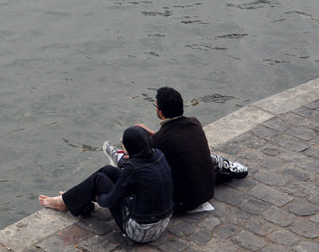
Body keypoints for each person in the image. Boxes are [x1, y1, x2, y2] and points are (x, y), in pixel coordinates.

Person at [103, 86, 248, 213]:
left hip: (182, 202)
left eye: (156, 105)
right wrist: (151, 133)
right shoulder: (194, 123)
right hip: (207, 190)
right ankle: (226, 168)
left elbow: (141, 155)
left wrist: (128, 149)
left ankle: (118, 159)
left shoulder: (160, 140)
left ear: (160, 112)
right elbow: (172, 139)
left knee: (137, 168)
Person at [39, 126, 174, 244]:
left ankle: (67, 201)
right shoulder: (159, 155)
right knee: (108, 170)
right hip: (162, 222)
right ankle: (72, 198)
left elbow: (109, 201)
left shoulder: (133, 168)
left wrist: (98, 197)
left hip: (140, 231)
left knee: (99, 180)